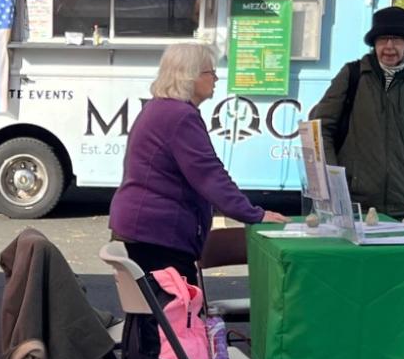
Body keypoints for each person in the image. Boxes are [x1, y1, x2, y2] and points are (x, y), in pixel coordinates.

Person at [108, 41, 279, 284]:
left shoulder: (161, 108)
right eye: (211, 72)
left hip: (143, 228)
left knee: (156, 306)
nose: (216, 79)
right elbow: (210, 176)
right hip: (158, 233)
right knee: (177, 306)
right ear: (190, 75)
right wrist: (254, 214)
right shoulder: (180, 116)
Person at [309, 5, 404, 218]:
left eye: (396, 40)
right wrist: (334, 183)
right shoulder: (353, 74)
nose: (389, 47)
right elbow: (320, 129)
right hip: (353, 201)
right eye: (383, 39)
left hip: (397, 203)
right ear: (374, 43)